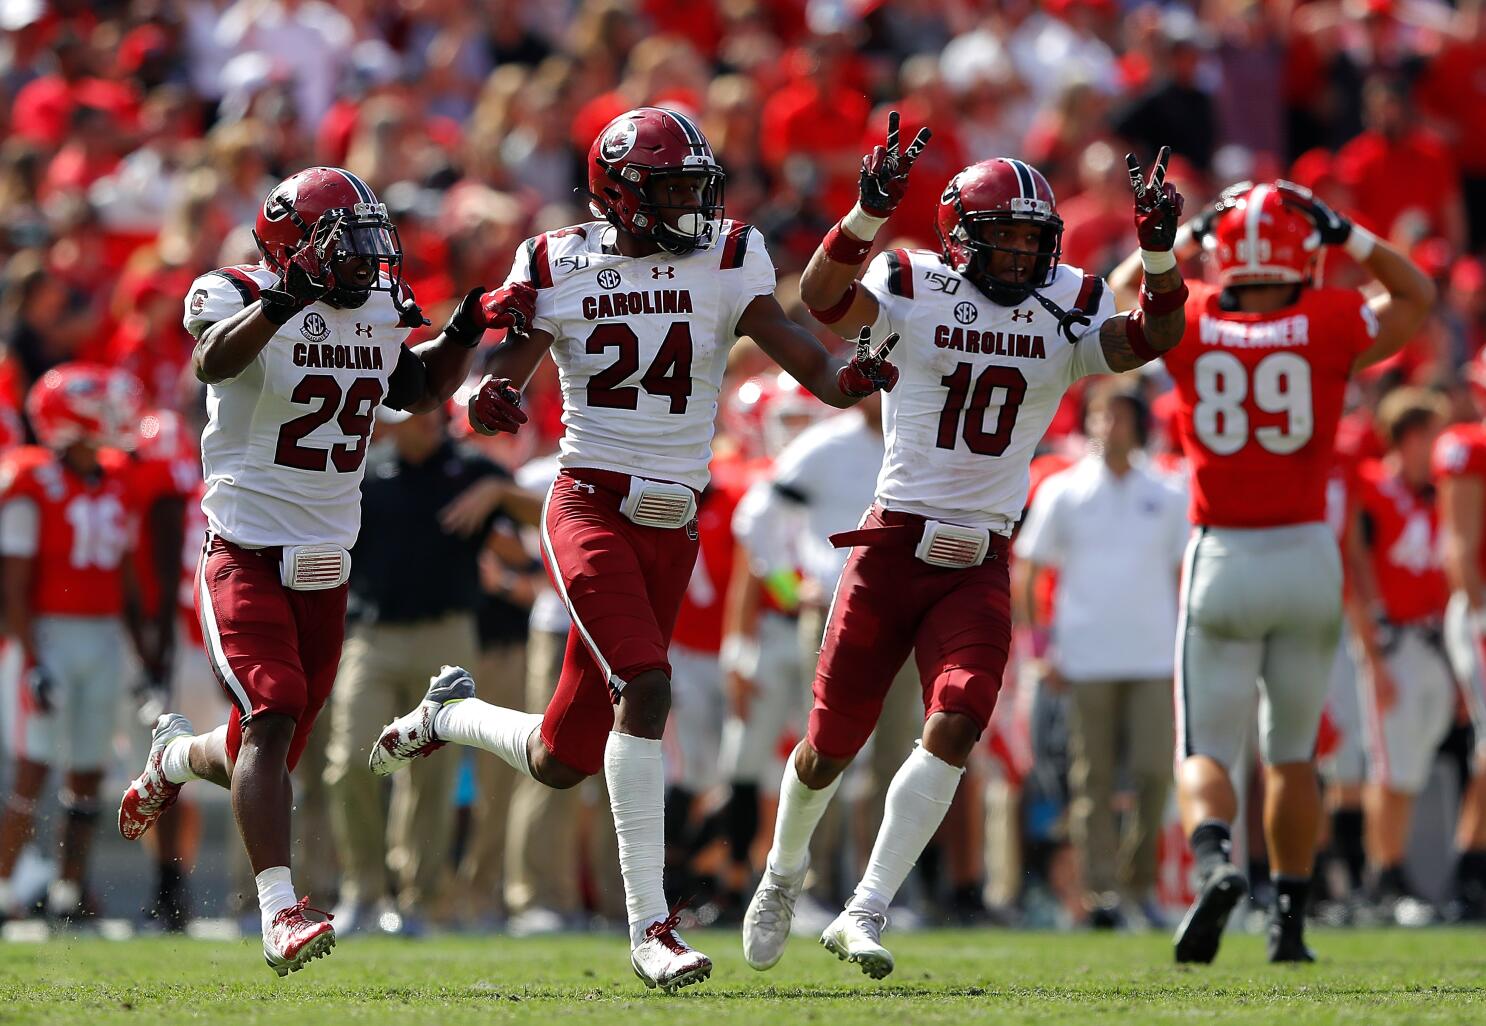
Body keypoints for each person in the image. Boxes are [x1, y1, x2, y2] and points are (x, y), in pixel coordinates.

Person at [368, 107, 900, 992]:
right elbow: (505, 372)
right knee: (645, 686)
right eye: (676, 189)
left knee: (562, 757)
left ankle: (446, 717)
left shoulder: (729, 255)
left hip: (673, 522)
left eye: (700, 186)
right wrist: (492, 400)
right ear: (623, 194)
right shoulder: (556, 259)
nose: (695, 203)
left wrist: (867, 371)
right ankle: (652, 928)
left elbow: (813, 364)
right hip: (590, 504)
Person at [742, 115, 1189, 979]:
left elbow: (1152, 338)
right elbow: (826, 297)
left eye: (1033, 241)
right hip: (892, 545)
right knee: (830, 744)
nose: (1022, 258)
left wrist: (1162, 257)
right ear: (960, 238)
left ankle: (866, 908)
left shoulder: (1068, 298)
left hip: (981, 553)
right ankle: (781, 873)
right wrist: (866, 214)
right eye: (1005, 240)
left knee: (958, 718)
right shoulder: (914, 278)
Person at [115, 166, 509, 975]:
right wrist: (287, 300)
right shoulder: (235, 290)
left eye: (372, 238)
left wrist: (464, 335)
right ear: (295, 248)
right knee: (276, 709)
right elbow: (214, 365)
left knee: (269, 740)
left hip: (329, 563)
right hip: (246, 549)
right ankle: (278, 912)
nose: (368, 258)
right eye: (346, 241)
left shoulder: (372, 304)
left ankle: (175, 759)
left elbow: (417, 389)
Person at [1110, 181, 1434, 964]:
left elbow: (1121, 292)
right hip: (1306, 557)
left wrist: (1188, 230)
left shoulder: (1189, 321)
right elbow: (1416, 295)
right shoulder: (1326, 320)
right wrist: (1346, 231)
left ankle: (1219, 863)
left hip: (1223, 552)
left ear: (1224, 258)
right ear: (1303, 256)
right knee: (1293, 751)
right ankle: (1290, 917)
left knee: (1208, 750)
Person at [322, 406, 533, 936]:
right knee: (349, 761)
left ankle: (418, 899)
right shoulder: (367, 471)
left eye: (436, 411)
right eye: (419, 411)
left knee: (432, 774)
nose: (429, 420)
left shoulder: (471, 468)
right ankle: (362, 890)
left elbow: (547, 512)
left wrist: (498, 495)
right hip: (373, 634)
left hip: (448, 635)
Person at [1013, 381, 1189, 929]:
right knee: (1092, 781)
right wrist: (1041, 649)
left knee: (1156, 774)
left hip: (1154, 655)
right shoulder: (1063, 490)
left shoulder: (1167, 489)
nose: (1104, 426)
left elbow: (1187, 570)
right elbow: (1029, 569)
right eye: (1096, 415)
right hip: (1085, 657)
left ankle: (1139, 886)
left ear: (1137, 423)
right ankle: (1102, 894)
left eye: (1115, 415)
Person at [0, 365, 152, 921]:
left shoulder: (116, 474)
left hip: (103, 634)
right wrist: (32, 658)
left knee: (88, 771)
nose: (117, 416)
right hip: (47, 635)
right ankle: (4, 886)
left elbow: (129, 579)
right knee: (33, 766)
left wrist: (143, 653)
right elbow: (13, 583)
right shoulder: (30, 478)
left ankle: (70, 888)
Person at [1345, 388, 1453, 925]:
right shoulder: (1371, 488)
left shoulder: (1433, 494)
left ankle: (1389, 871)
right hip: (1393, 643)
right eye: (1432, 435)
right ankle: (1385, 875)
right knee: (1389, 768)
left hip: (1432, 640)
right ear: (1410, 437)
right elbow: (1356, 577)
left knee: (1407, 768)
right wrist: (1373, 655)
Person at [1430, 390, 1486, 922]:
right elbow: (1459, 546)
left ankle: (1470, 871)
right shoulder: (1468, 446)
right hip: (1482, 612)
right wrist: (1480, 613)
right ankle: (1467, 876)